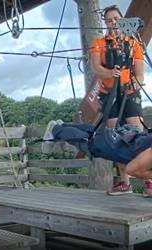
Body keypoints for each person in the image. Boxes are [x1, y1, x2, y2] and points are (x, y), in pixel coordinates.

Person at [90, 5, 147, 195]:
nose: (112, 23)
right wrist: (109, 73)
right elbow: (96, 67)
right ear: (105, 23)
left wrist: (134, 85)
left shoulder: (133, 43)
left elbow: (140, 75)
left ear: (122, 20)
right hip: (109, 92)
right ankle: (124, 182)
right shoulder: (99, 43)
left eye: (115, 19)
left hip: (129, 92)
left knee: (137, 134)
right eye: (108, 20)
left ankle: (149, 180)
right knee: (114, 136)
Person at [42, 120, 152, 197]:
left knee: (97, 135)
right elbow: (131, 169)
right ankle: (55, 129)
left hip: (129, 139)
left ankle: (63, 125)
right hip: (124, 146)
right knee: (90, 143)